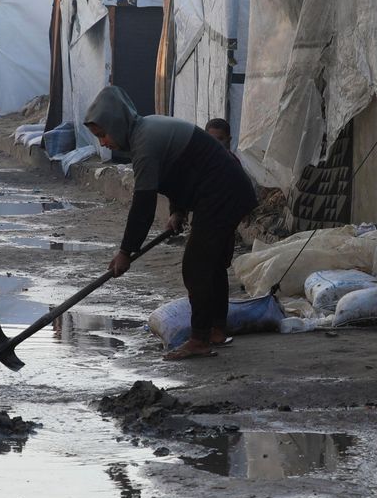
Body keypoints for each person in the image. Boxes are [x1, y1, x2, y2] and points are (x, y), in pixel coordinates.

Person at [86, 87, 258, 361]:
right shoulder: (145, 132)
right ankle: (216, 330)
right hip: (219, 191)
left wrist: (126, 251)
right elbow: (180, 172)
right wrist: (177, 212)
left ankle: (200, 340)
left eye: (103, 134)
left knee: (197, 265)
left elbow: (143, 206)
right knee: (211, 264)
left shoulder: (144, 142)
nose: (103, 142)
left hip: (223, 192)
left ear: (116, 124)